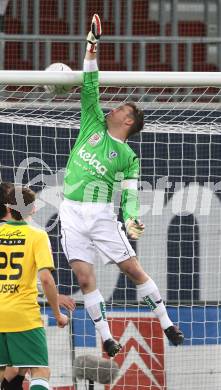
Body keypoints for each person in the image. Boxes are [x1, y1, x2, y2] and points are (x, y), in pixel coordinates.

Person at [60, 14, 184, 357]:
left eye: (120, 108)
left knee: (132, 269)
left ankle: (167, 323)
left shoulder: (128, 156)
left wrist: (130, 220)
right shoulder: (91, 122)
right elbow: (90, 84)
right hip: (71, 211)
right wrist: (91, 47)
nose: (112, 107)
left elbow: (129, 194)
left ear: (128, 121)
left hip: (100, 213)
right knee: (85, 280)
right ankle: (106, 338)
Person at [0, 182, 75, 390]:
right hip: (23, 315)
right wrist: (58, 314)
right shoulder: (37, 236)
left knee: (5, 372)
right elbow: (46, 280)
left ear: (8, 208)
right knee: (40, 371)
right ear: (33, 209)